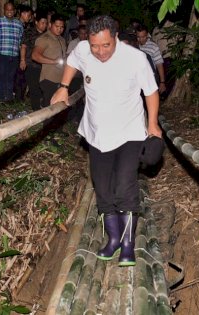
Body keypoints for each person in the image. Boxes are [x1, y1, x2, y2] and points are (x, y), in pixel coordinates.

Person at [50, 15, 162, 267]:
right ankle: (112, 239)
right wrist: (63, 86)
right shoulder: (82, 49)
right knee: (102, 189)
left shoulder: (135, 59)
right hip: (96, 134)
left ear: (116, 38)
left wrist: (152, 123)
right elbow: (72, 61)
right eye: (94, 46)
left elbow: (151, 92)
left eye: (106, 45)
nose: (99, 52)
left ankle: (128, 245)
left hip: (129, 133)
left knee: (124, 187)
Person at [0, 2, 24, 103]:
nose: (9, 12)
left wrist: (22, 57)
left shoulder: (19, 24)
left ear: (14, 11)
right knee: (2, 75)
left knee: (11, 76)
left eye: (11, 10)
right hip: (2, 54)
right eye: (7, 10)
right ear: (4, 10)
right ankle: (1, 97)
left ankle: (8, 98)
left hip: (14, 55)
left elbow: (21, 41)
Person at [32, 14, 66, 108]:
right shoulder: (44, 38)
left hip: (61, 79)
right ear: (50, 25)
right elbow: (35, 55)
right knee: (49, 108)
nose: (59, 29)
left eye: (62, 27)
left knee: (59, 107)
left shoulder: (62, 39)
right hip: (49, 79)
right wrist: (54, 61)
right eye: (57, 26)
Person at [22, 12, 48, 110]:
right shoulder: (29, 32)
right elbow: (23, 46)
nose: (44, 25)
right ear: (36, 22)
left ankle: (43, 106)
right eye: (42, 23)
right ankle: (36, 110)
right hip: (31, 64)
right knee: (34, 88)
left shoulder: (47, 35)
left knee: (42, 87)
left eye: (46, 23)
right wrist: (22, 60)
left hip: (44, 66)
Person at [136, 24, 167, 95]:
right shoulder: (134, 45)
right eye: (138, 37)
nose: (140, 39)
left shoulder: (153, 47)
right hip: (136, 79)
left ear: (147, 35)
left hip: (149, 79)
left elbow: (159, 64)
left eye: (143, 37)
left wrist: (162, 82)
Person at [14, 5, 33, 101]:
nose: (29, 18)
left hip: (23, 53)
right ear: (22, 14)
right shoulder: (17, 25)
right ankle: (18, 97)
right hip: (18, 53)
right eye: (28, 15)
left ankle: (21, 96)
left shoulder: (25, 26)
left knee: (22, 76)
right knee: (20, 76)